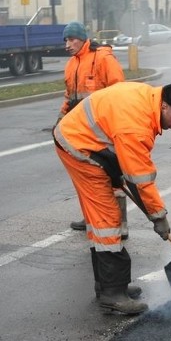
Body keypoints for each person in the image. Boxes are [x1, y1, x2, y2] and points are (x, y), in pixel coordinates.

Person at [53, 82, 171, 314]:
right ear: (164, 105)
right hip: (80, 146)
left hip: (94, 142)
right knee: (107, 222)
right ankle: (112, 293)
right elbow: (140, 180)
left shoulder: (148, 100)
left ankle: (108, 285)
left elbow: (132, 169)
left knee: (102, 219)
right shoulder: (136, 126)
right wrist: (159, 217)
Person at [57, 21, 129, 237]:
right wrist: (60, 120)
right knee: (86, 176)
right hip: (81, 131)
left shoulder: (102, 58)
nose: (68, 44)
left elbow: (118, 90)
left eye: (71, 39)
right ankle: (91, 217)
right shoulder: (72, 64)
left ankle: (120, 224)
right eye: (66, 40)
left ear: (82, 39)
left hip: (103, 129)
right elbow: (70, 97)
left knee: (111, 177)